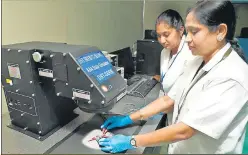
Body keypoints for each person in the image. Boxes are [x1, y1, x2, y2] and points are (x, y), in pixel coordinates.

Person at [99, 0, 248, 154]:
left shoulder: (233, 76)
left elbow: (185, 130)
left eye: (194, 32)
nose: (188, 38)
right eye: (187, 32)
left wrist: (131, 141)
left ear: (220, 31)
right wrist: (128, 118)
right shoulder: (197, 60)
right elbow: (169, 99)